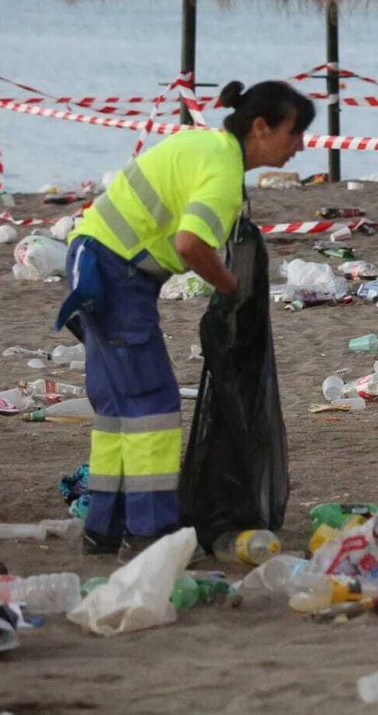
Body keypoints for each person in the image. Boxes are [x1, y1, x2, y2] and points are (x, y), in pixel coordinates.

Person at [55, 80, 313, 556]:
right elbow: (190, 244)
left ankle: (104, 527)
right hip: (115, 277)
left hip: (91, 261)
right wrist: (229, 284)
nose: (301, 145)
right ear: (261, 126)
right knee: (152, 405)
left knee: (117, 410)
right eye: (295, 133)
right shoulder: (221, 169)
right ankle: (150, 535)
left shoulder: (206, 144)